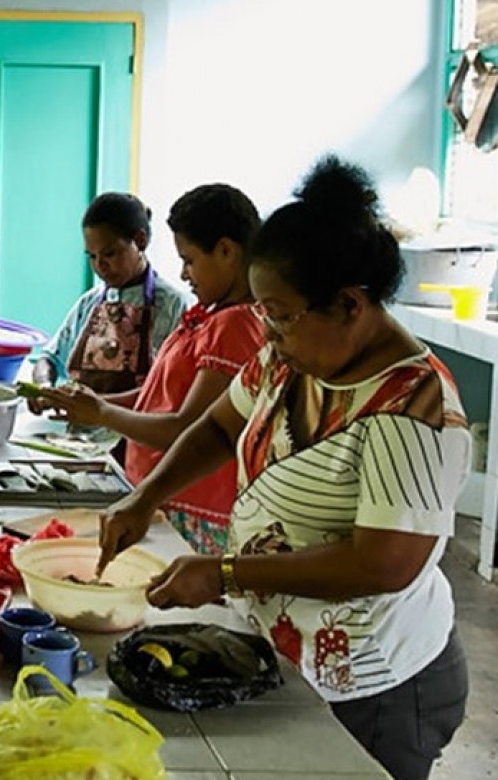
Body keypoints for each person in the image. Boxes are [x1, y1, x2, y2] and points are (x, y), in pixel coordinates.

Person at [97, 156, 469, 780]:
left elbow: (384, 562)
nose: (266, 329)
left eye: (280, 313)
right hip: (292, 651)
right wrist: (146, 497)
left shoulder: (411, 408)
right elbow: (220, 425)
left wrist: (224, 574)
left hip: (378, 684)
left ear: (350, 305)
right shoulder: (290, 358)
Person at [33, 184, 264, 554]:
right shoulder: (211, 315)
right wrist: (97, 403)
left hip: (190, 512)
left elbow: (186, 428)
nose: (185, 274)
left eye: (189, 260)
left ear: (226, 251)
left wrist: (105, 413)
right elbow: (158, 397)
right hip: (154, 494)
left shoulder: (234, 325)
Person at [31, 192, 190, 395]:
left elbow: (170, 388)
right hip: (81, 424)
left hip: (137, 425)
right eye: (92, 256)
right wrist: (42, 386)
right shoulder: (88, 303)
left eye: (109, 254)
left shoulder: (173, 305)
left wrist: (103, 409)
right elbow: (49, 358)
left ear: (140, 241)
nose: (100, 266)